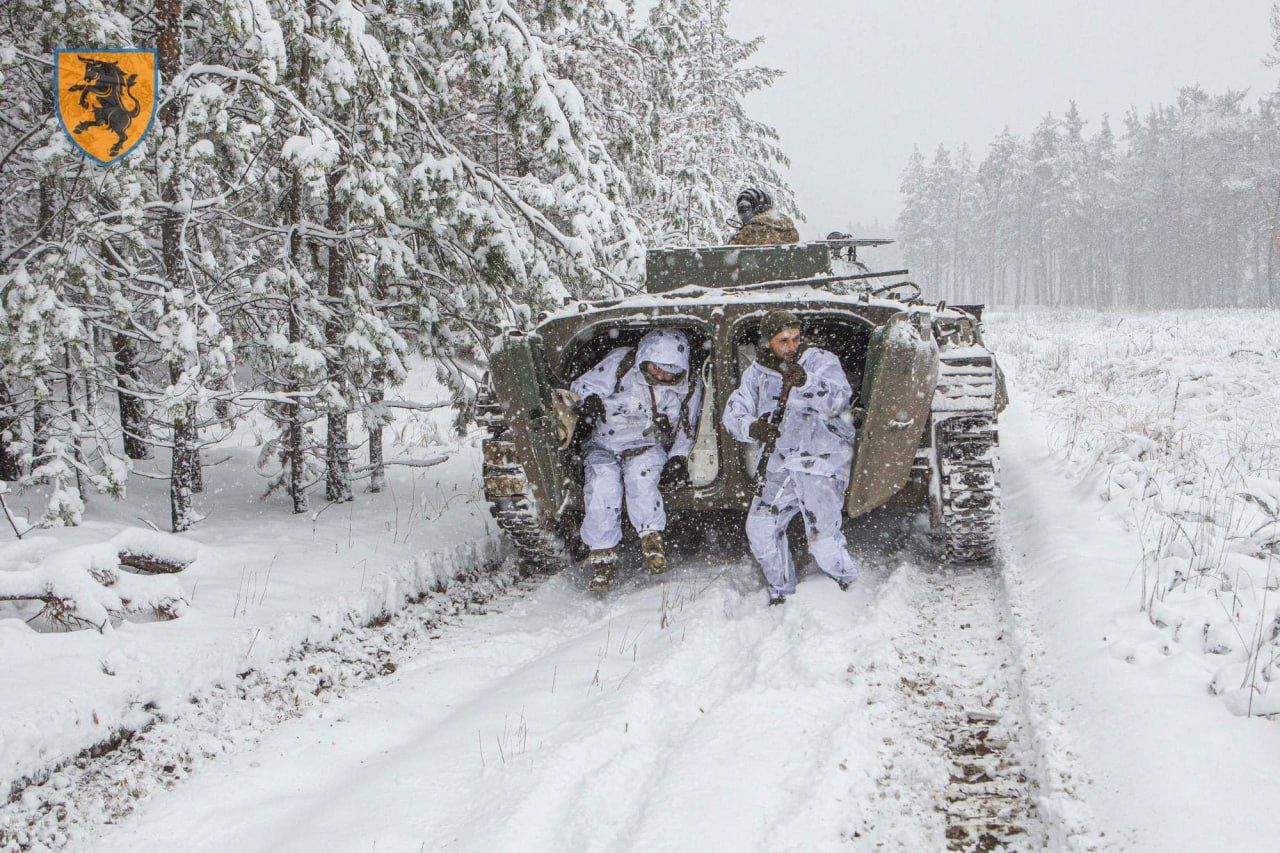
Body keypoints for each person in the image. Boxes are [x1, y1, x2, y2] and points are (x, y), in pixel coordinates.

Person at [723, 310, 860, 605]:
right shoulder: (756, 373)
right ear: (768, 341)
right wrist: (753, 427)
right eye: (783, 340)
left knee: (822, 542)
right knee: (760, 528)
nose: (791, 346)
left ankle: (849, 582)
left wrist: (807, 383)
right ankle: (781, 593)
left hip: (821, 459)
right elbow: (734, 412)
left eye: (795, 338)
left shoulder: (820, 360)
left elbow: (839, 401)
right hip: (780, 462)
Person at [570, 328, 704, 591]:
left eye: (669, 372)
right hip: (603, 444)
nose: (662, 376)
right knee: (601, 489)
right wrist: (589, 403)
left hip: (647, 446)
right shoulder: (622, 364)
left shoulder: (687, 387)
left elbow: (688, 427)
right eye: (656, 369)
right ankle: (602, 556)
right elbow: (583, 387)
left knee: (642, 483)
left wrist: (678, 458)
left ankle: (651, 540)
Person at [729, 188, 800, 245]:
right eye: (741, 210)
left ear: (759, 209)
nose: (743, 214)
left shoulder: (748, 233)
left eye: (746, 209)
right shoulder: (790, 229)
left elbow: (728, 258)